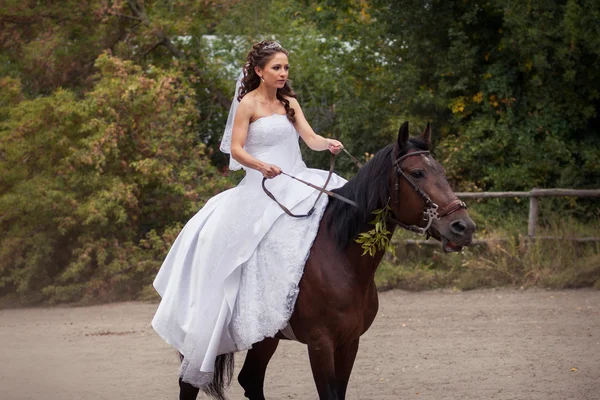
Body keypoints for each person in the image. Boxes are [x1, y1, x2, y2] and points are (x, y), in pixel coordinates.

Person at [151, 40, 346, 388]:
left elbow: (310, 138)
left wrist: (327, 143)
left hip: (297, 179)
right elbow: (236, 149)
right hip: (260, 185)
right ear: (259, 71)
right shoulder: (248, 104)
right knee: (244, 245)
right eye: (276, 68)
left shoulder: (290, 103)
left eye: (286, 68)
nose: (283, 73)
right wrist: (261, 165)